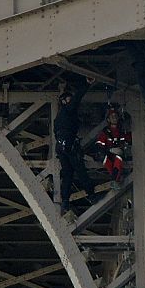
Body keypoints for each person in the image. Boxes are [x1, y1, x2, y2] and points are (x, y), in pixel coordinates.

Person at [54, 77, 96, 214]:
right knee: (80, 171)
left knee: (67, 174)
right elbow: (77, 99)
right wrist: (86, 84)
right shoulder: (68, 110)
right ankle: (91, 195)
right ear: (65, 101)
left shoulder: (59, 117)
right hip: (70, 146)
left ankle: (65, 201)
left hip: (61, 148)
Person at [95, 106, 131, 183]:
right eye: (112, 116)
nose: (114, 118)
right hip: (108, 154)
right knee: (102, 156)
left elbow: (128, 139)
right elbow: (99, 146)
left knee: (118, 158)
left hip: (118, 155)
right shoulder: (105, 132)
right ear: (108, 119)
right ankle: (115, 177)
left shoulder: (121, 131)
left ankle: (115, 178)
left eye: (116, 116)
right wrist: (110, 150)